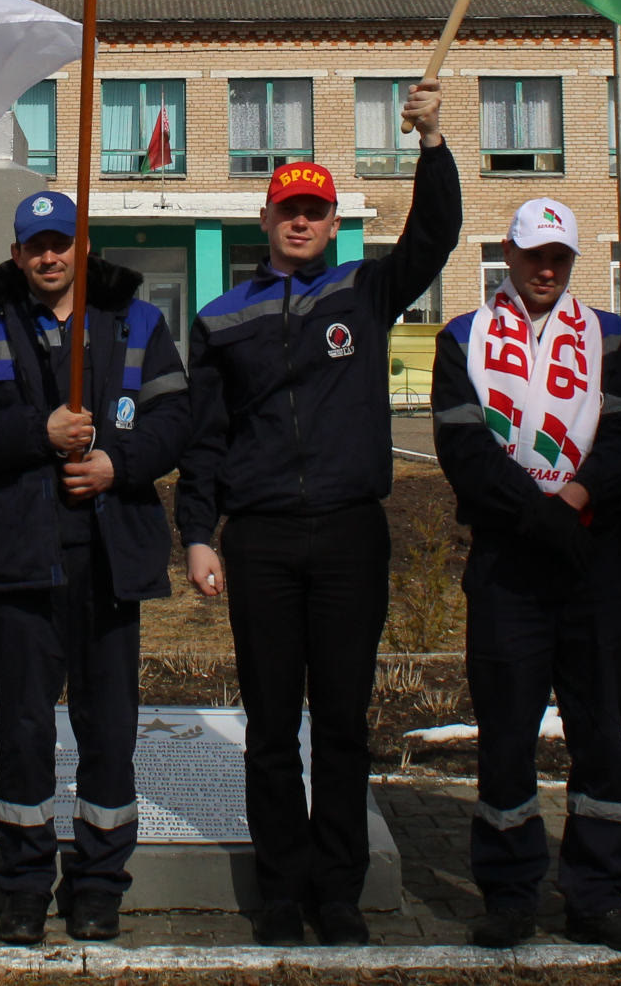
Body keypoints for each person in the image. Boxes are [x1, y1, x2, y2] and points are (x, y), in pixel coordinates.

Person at [175, 78, 459, 948]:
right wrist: (195, 533)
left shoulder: (363, 295)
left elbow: (434, 237)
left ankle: (338, 890)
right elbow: (206, 436)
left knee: (341, 719)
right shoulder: (222, 317)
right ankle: (279, 889)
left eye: (316, 211)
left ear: (334, 224)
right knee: (270, 723)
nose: (301, 222)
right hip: (258, 539)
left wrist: (433, 144)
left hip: (347, 535)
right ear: (264, 221)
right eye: (287, 210)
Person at [0, 191, 193, 946]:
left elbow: (177, 421)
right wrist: (37, 433)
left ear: (83, 246)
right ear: (16, 255)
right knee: (22, 731)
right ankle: (22, 888)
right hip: (20, 563)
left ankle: (100, 884)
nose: (49, 256)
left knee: (109, 732)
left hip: (112, 561)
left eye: (61, 242)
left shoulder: (139, 321)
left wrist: (117, 462)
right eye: (34, 245)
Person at [429, 199, 621, 953]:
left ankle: (596, 892)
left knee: (598, 734)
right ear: (508, 254)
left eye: (559, 257)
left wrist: (579, 499)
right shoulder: (462, 335)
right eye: (532, 255)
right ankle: (510, 893)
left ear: (573, 260)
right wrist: (537, 515)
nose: (545, 269)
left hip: (593, 561)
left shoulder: (609, 336)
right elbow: (462, 449)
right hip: (506, 563)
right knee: (506, 734)